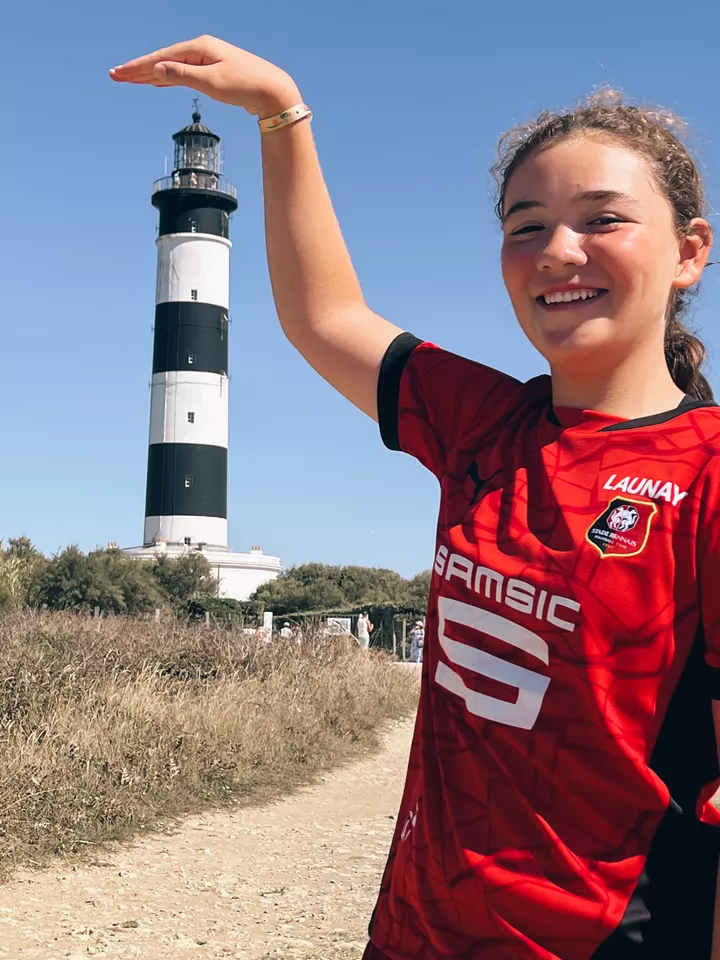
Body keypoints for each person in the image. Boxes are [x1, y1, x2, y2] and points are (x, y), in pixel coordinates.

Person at [111, 38, 720, 959]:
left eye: (602, 220)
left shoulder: (706, 474)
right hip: (413, 936)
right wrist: (281, 111)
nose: (558, 251)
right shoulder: (483, 423)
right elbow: (326, 316)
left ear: (688, 253)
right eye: (525, 225)